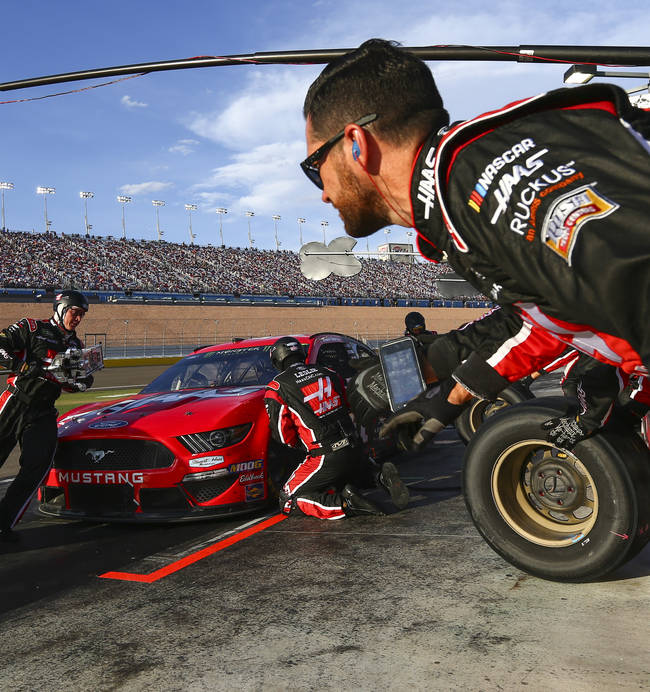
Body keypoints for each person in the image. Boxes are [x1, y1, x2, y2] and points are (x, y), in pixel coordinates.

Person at [301, 38, 650, 449]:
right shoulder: (464, 188)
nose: (322, 193)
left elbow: (630, 281)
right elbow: (551, 316)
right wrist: (447, 398)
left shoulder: (489, 182)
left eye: (314, 166)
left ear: (356, 143)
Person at [0, 290, 94, 541]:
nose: (78, 318)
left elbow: (67, 384)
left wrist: (80, 382)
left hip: (45, 411)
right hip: (15, 402)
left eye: (82, 315)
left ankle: (2, 523)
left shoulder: (75, 345)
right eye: (75, 312)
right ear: (60, 309)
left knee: (36, 469)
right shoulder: (31, 327)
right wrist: (23, 366)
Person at [263, 337, 408, 519]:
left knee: (288, 501)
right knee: (344, 473)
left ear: (277, 360)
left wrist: (300, 446)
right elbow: (349, 405)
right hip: (355, 446)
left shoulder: (276, 387)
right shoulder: (328, 372)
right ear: (301, 353)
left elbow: (283, 436)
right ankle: (379, 476)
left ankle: (345, 504)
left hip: (325, 454)